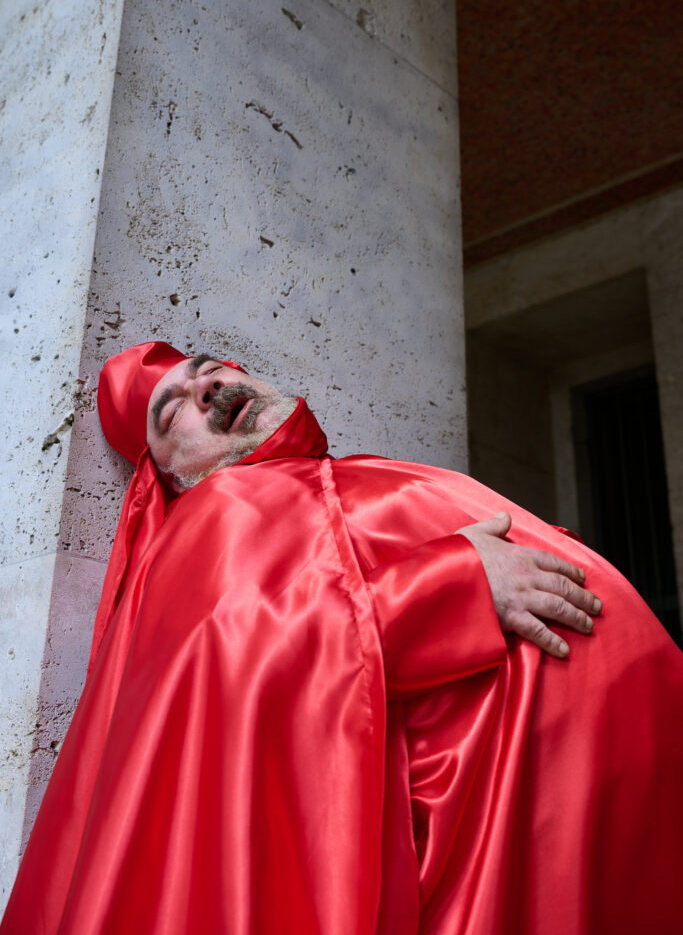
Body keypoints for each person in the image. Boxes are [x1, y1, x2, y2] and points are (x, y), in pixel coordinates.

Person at [2, 341, 682, 935]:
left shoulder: (323, 480)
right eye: (171, 408)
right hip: (498, 851)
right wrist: (454, 587)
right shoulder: (218, 511)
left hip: (584, 834)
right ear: (168, 474)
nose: (204, 387)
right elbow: (239, 671)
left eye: (207, 371)